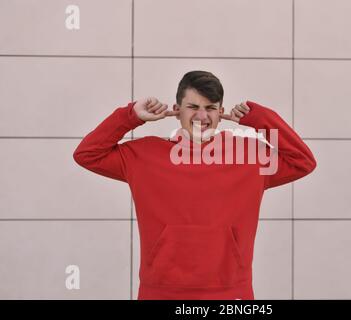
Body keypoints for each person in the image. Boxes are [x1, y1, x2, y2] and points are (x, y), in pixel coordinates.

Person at [73, 70, 317, 300]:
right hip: (160, 291)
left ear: (221, 112)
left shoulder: (250, 156)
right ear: (177, 110)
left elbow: (303, 162)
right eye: (193, 107)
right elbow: (87, 154)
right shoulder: (144, 155)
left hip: (231, 292)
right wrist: (131, 116)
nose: (202, 116)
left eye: (210, 108)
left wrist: (261, 119)